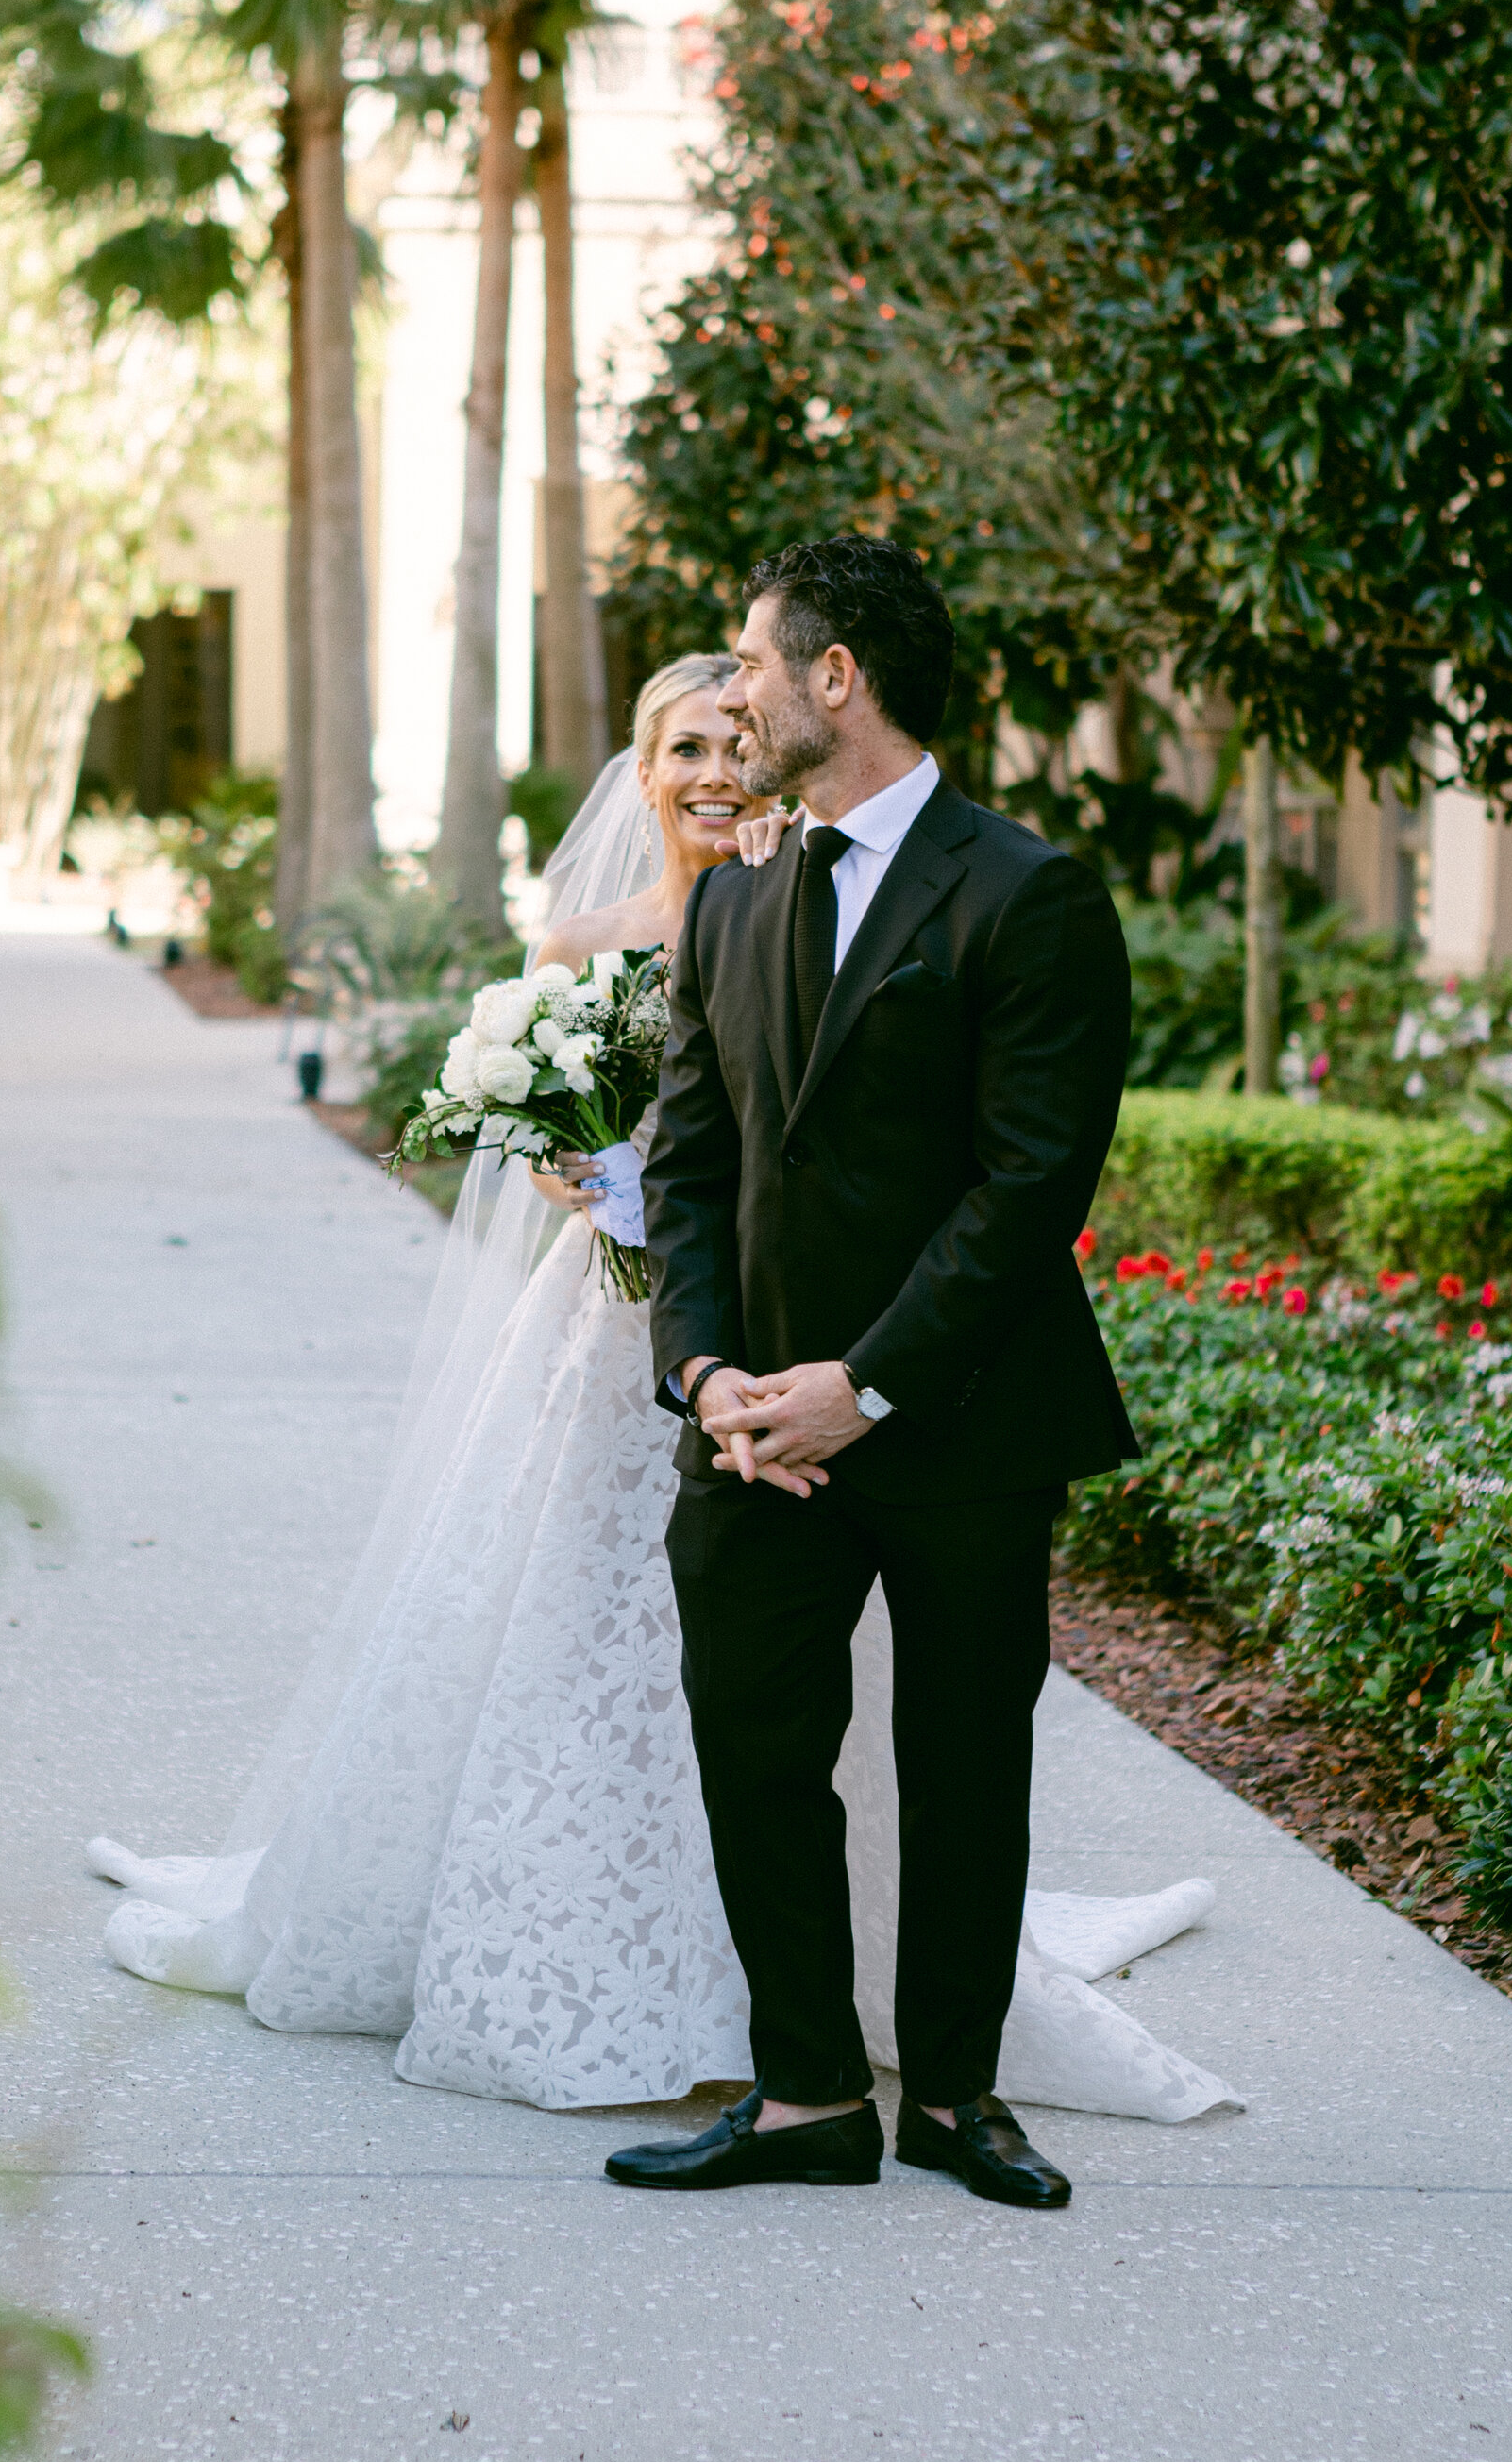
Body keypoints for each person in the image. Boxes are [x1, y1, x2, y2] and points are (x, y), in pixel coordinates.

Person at [87, 649, 1235, 2135]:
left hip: (820, 1367)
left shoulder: (824, 886)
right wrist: (594, 1200)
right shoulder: (592, 940)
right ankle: (733, 2028)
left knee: (866, 1724)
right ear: (642, 773)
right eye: (678, 746)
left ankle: (889, 2039)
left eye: (726, 737)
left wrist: (827, 1368)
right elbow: (613, 1143)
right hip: (639, 1339)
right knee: (629, 1677)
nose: (706, 770)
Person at [608, 534, 1142, 2211]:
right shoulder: (743, 889)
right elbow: (688, 1163)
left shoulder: (1027, 891)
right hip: (758, 1432)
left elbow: (1029, 1188)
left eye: (753, 665)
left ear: (836, 678)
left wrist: (872, 1381)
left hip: (964, 1422)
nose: (734, 694)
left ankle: (960, 2098)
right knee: (756, 1745)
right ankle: (809, 2095)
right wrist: (704, 1372)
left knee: (967, 1762)